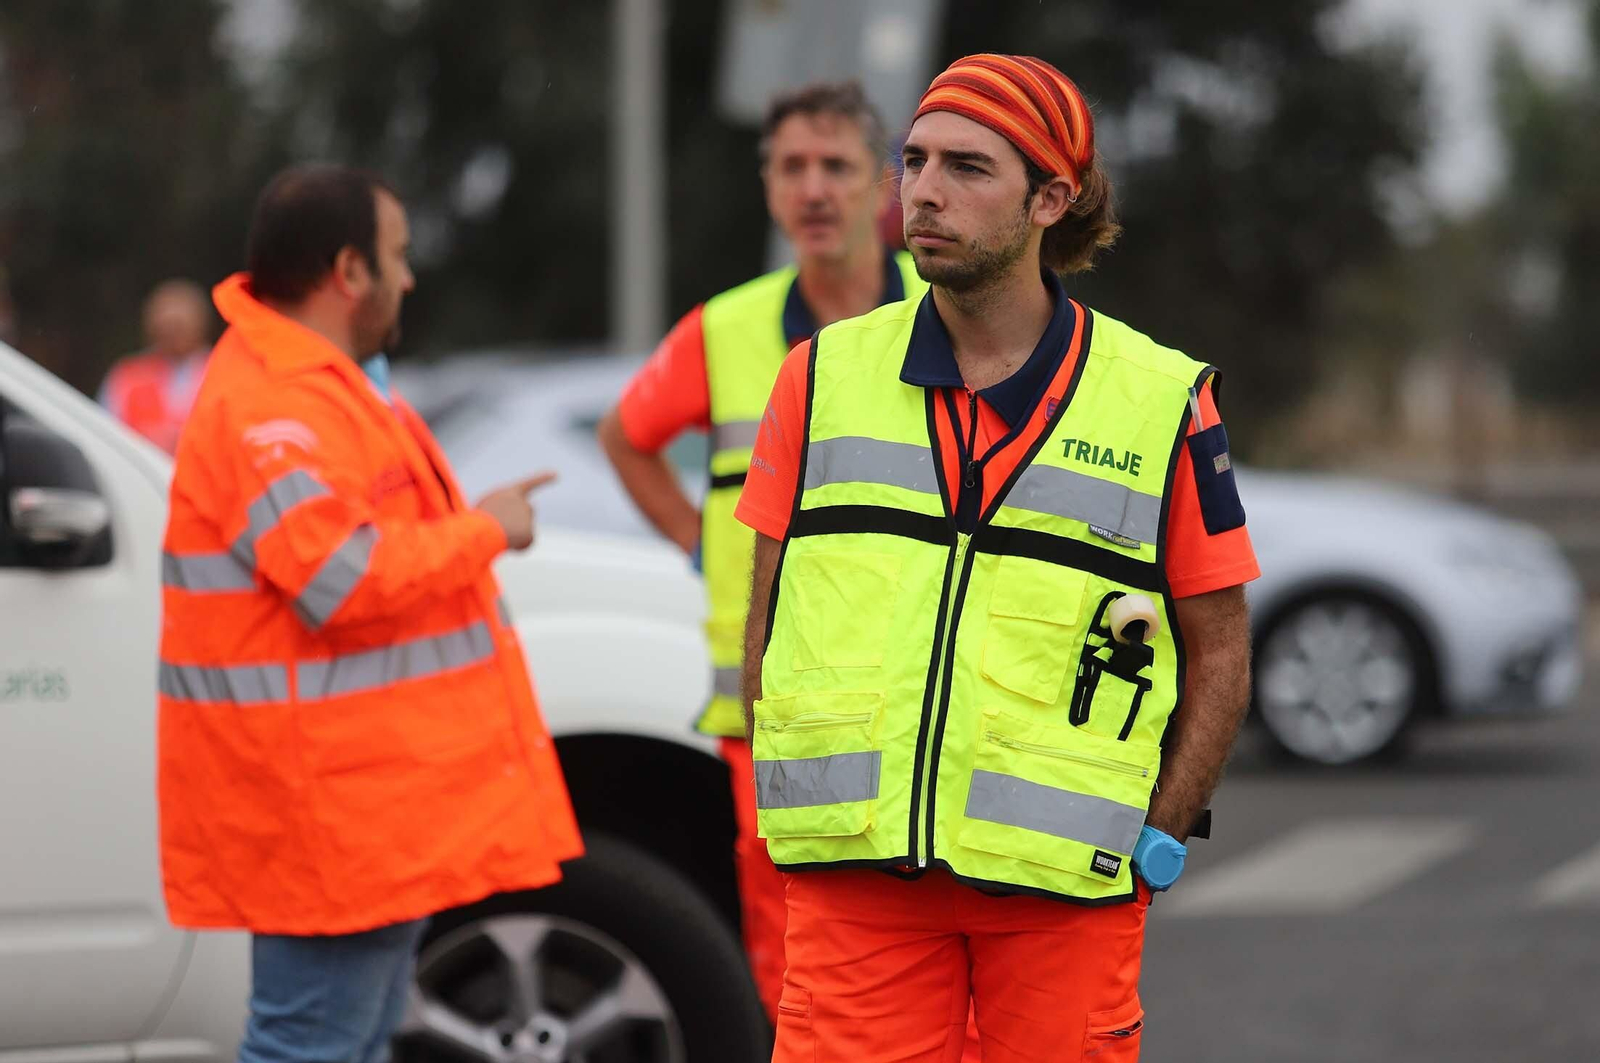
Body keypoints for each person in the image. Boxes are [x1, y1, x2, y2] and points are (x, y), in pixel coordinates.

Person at [737, 54, 1259, 1062]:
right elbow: (764, 621)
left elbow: (1220, 648)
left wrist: (1156, 838)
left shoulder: (1161, 401)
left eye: (968, 168)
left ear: (1050, 199)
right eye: (914, 160)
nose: (923, 192)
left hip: (1062, 896)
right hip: (856, 890)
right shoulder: (818, 379)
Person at [157, 164, 582, 1063]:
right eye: (398, 254)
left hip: (359, 811)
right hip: (328, 817)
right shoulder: (274, 402)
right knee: (312, 1043)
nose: (411, 276)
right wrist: (484, 530)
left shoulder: (311, 385)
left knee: (349, 1041)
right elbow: (340, 577)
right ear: (349, 271)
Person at [596, 80, 929, 1022]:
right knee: (796, 956)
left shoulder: (948, 314)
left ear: (882, 190)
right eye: (792, 167)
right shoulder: (727, 328)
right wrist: (697, 540)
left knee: (930, 947)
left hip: (924, 695)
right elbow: (626, 435)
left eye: (836, 167)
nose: (813, 189)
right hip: (773, 706)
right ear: (770, 187)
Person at [99, 278, 214, 453]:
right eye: (166, 326)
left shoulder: (224, 371)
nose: (173, 335)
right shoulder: (127, 376)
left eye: (179, 326)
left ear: (201, 323)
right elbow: (104, 435)